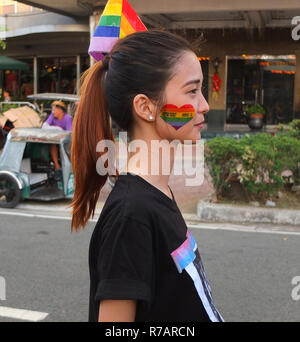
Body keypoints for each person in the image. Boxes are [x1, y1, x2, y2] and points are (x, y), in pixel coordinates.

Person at [70, 30, 224, 322]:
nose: (204, 105)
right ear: (145, 107)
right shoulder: (131, 214)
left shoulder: (158, 193)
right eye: (192, 91)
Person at [42, 101, 72, 174]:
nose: (52, 112)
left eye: (54, 110)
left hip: (66, 141)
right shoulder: (52, 115)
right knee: (52, 144)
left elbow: (70, 133)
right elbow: (44, 126)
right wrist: (58, 129)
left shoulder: (67, 118)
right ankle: (57, 166)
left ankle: (70, 166)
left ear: (60, 110)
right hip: (56, 139)